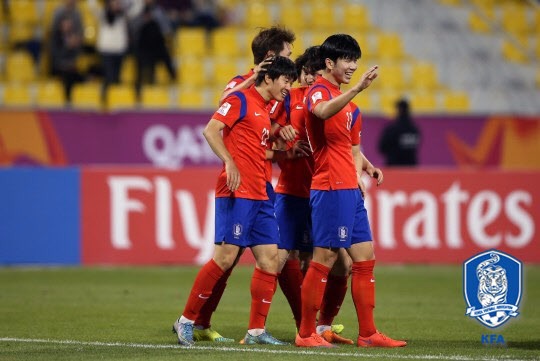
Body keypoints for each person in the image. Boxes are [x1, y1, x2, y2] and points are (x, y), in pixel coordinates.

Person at [176, 26, 298, 345]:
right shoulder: (242, 98)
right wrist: (229, 161)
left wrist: (282, 147)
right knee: (225, 257)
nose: (289, 87)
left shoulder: (262, 108)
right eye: (286, 79)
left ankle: (256, 331)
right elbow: (211, 130)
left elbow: (258, 147)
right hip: (238, 189)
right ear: (269, 74)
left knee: (271, 258)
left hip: (261, 192)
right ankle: (186, 320)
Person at [295, 34, 407, 348]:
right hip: (330, 187)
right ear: (329, 63)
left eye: (355, 60)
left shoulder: (353, 109)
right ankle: (305, 334)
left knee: (365, 257)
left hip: (349, 190)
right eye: (347, 60)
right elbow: (321, 114)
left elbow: (353, 149)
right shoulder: (318, 92)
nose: (353, 67)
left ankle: (368, 334)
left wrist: (363, 171)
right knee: (325, 258)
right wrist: (357, 89)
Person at [269, 46, 352, 345]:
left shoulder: (329, 99)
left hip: (324, 191)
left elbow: (345, 142)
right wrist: (283, 139)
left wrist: (360, 168)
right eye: (312, 75)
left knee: (335, 262)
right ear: (303, 72)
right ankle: (293, 326)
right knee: (283, 257)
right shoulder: (289, 98)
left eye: (321, 75)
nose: (317, 80)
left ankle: (318, 326)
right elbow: (265, 135)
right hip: (293, 192)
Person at [378, 98, 421, 166]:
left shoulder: (392, 129)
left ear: (399, 110)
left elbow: (381, 147)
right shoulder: (415, 129)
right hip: (411, 168)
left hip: (394, 167)